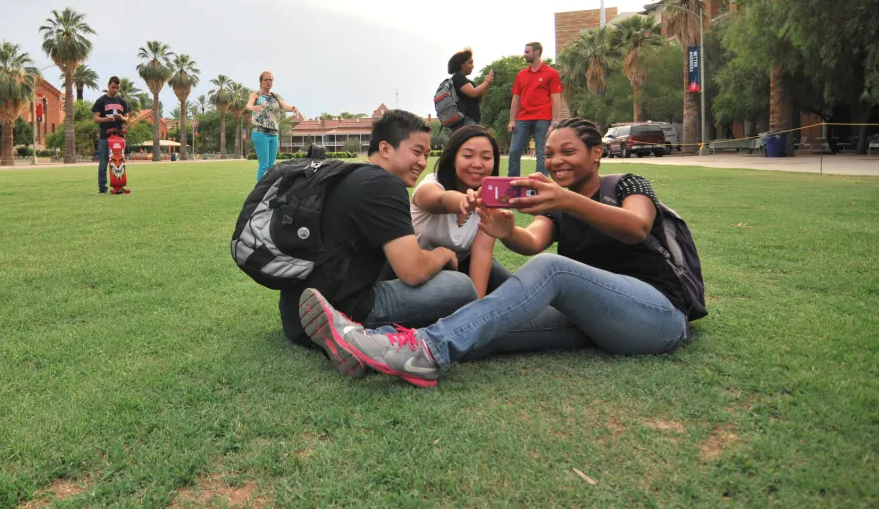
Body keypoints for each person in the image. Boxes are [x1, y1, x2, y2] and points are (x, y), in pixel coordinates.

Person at [299, 118, 700, 388]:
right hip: (596, 320)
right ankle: (373, 345)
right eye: (551, 153)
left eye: (569, 152)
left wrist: (567, 200)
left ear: (597, 154)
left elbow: (637, 227)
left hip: (658, 316)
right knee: (488, 330)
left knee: (551, 270)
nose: (556, 161)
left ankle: (425, 351)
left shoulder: (629, 183)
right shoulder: (560, 205)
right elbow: (531, 242)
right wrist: (506, 230)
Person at [282, 110, 477, 376]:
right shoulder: (384, 185)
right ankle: (368, 337)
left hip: (295, 312)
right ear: (385, 148)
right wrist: (444, 254)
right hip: (341, 306)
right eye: (416, 151)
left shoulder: (348, 174)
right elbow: (413, 271)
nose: (422, 162)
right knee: (462, 288)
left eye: (426, 154)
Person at [410, 124, 514, 298]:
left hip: (463, 266)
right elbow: (438, 199)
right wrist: (464, 201)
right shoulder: (431, 185)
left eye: (486, 157)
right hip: (417, 269)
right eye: (468, 155)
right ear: (453, 159)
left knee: (517, 293)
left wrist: (475, 309)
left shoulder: (491, 203)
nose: (477, 164)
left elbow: (482, 252)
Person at [507, 41, 562, 177]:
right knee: (514, 152)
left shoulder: (551, 73)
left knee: (541, 153)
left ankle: (540, 184)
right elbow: (516, 99)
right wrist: (512, 120)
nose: (524, 54)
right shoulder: (521, 74)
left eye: (527, 52)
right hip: (522, 118)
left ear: (536, 52)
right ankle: (511, 183)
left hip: (543, 118)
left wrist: (554, 122)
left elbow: (556, 98)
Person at [246, 71, 300, 182]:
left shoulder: (276, 96)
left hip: (274, 134)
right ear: (261, 82)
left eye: (271, 79)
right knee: (264, 165)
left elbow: (285, 106)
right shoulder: (256, 95)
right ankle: (259, 195)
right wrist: (251, 107)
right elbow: (249, 104)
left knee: (272, 166)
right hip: (260, 133)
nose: (269, 82)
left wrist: (293, 108)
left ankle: (268, 191)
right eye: (266, 79)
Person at [92, 76, 128, 194]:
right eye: (113, 87)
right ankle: (103, 188)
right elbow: (95, 118)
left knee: (119, 162)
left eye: (117, 88)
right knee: (103, 164)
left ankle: (119, 184)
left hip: (119, 138)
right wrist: (107, 119)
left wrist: (121, 117)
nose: (115, 90)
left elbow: (127, 119)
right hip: (105, 137)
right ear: (108, 85)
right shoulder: (101, 101)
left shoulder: (122, 102)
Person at [447, 48, 493, 129]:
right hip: (465, 120)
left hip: (472, 121)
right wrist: (486, 82)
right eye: (470, 63)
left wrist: (486, 84)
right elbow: (473, 93)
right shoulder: (458, 78)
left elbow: (480, 99)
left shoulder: (467, 81)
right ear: (462, 64)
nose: (473, 66)